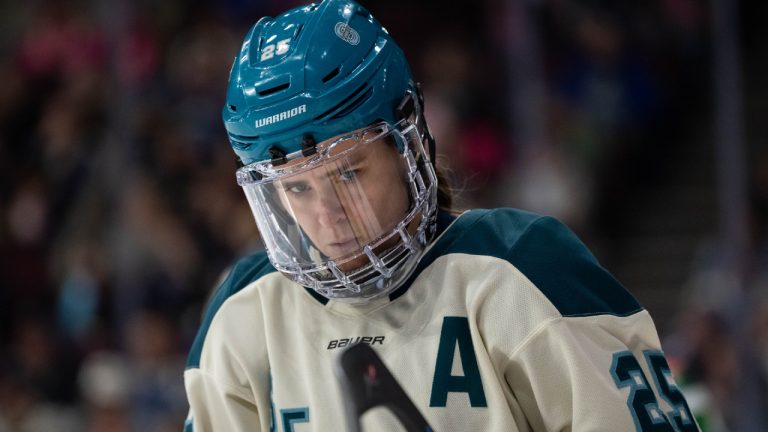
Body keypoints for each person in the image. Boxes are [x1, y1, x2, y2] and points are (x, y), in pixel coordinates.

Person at [183, 1, 699, 430]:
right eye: (296, 186)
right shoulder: (243, 313)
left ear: (409, 145)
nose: (327, 216)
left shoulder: (523, 271)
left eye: (348, 174)